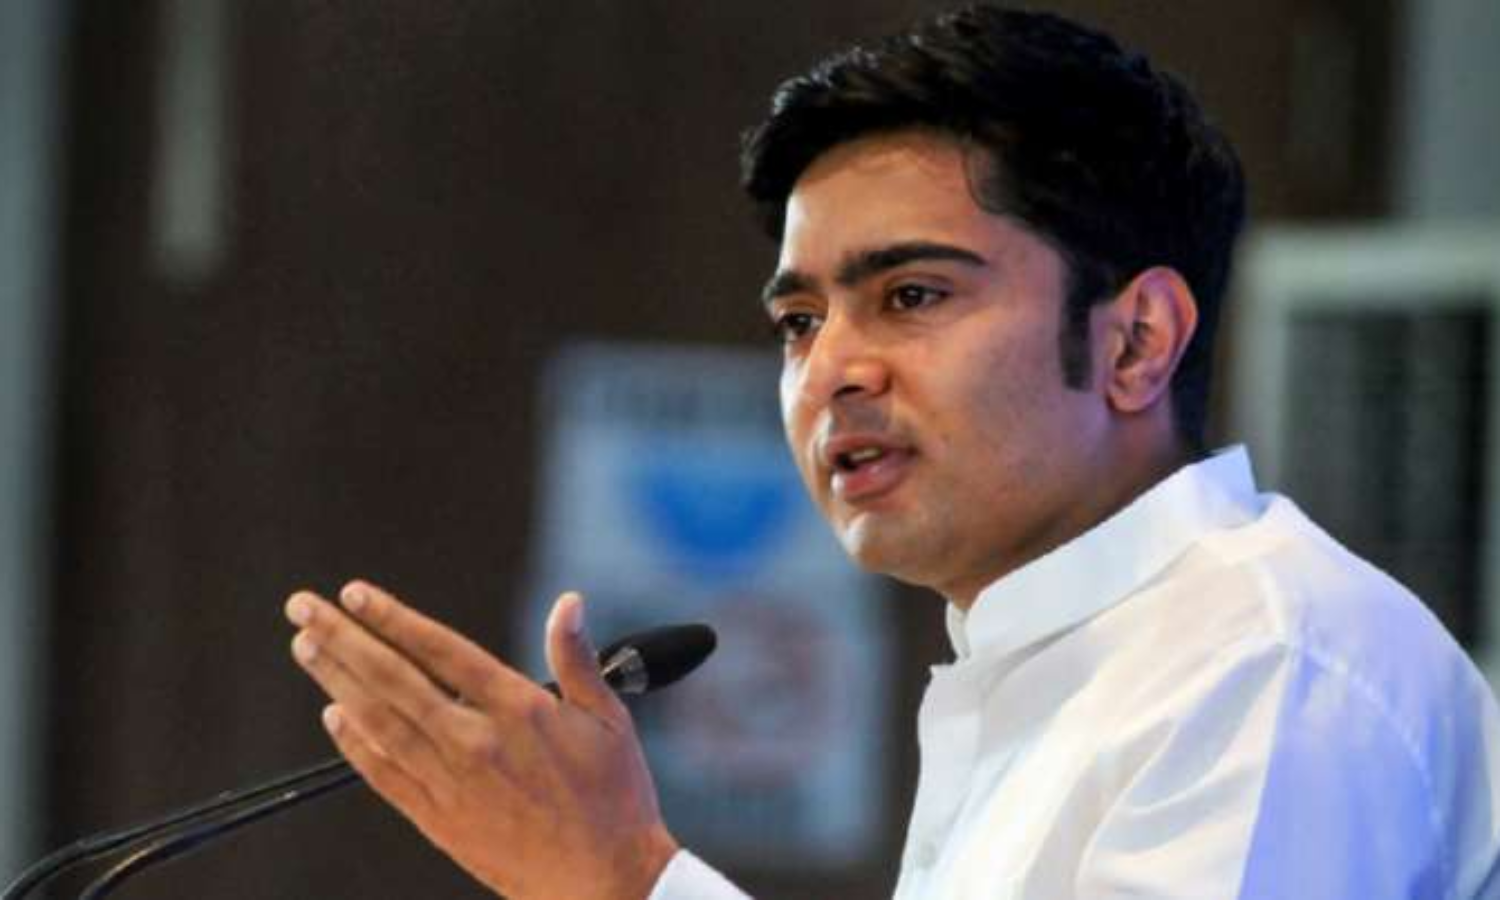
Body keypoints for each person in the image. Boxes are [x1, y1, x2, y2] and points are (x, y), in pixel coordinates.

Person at [284, 5, 1500, 899]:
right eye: (798, 322)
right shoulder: (1046, 663)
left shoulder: (1261, 666)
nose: (831, 371)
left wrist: (627, 881)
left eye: (912, 297)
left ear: (1135, 341)